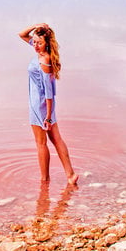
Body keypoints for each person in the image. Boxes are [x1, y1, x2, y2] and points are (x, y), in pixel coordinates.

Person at [18, 23, 78, 185]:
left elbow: (49, 93)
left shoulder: (44, 61)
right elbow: (22, 34)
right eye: (35, 42)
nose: (35, 45)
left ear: (47, 43)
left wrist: (48, 116)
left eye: (39, 43)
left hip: (40, 106)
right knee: (57, 139)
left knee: (41, 143)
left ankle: (44, 180)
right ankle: (70, 175)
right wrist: (36, 26)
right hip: (45, 107)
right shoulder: (43, 53)